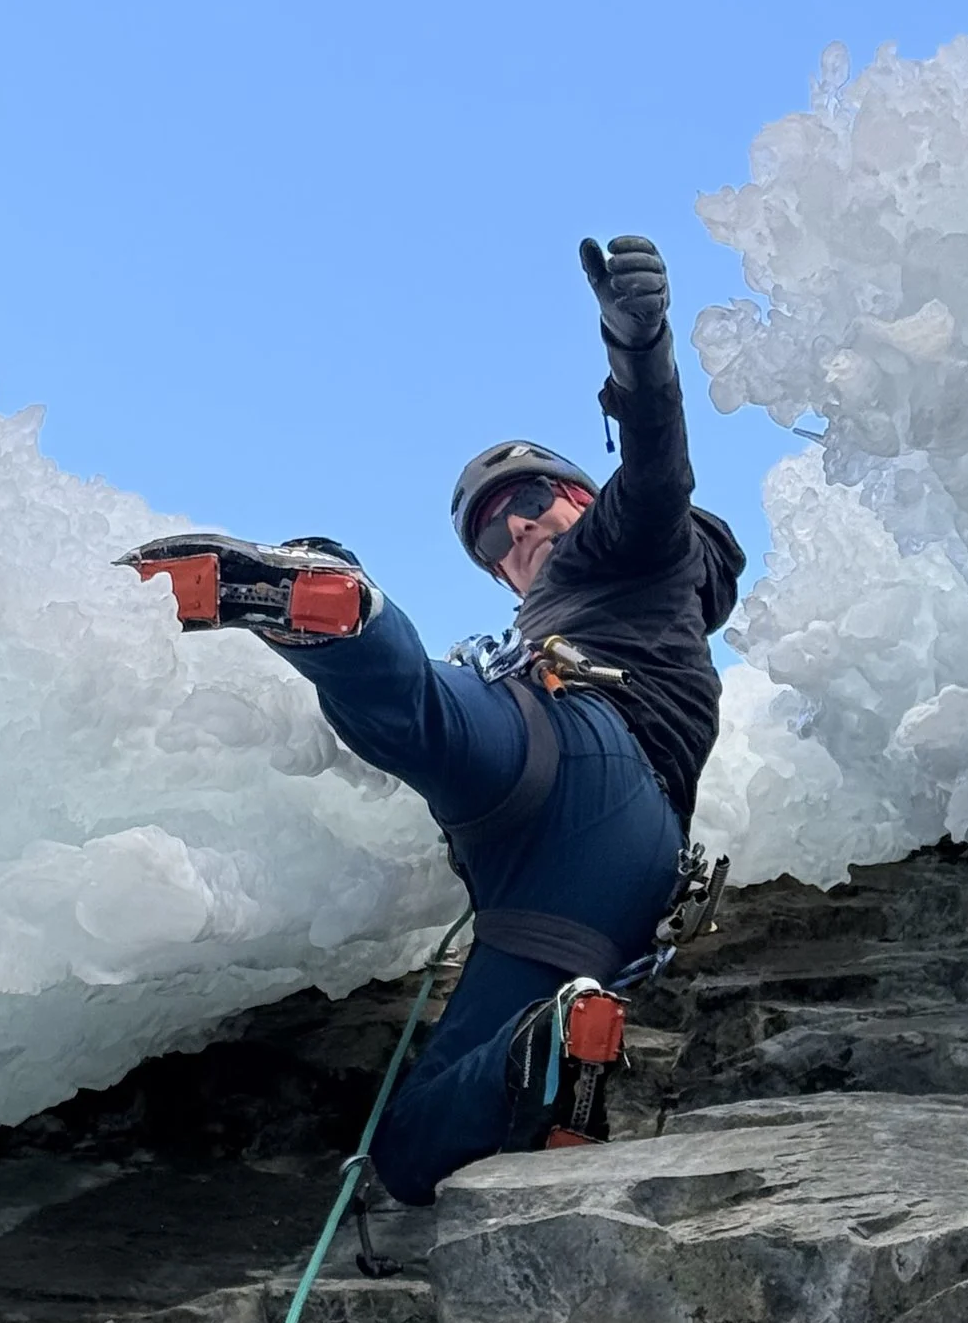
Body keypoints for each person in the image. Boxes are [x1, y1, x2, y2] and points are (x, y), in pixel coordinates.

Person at [133, 233, 743, 1203]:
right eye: (496, 535)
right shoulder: (624, 594)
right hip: (608, 889)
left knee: (415, 711)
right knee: (409, 1152)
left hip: (571, 750)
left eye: (535, 499)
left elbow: (659, 471)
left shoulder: (628, 546)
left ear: (584, 496)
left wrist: (639, 347)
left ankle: (334, 608)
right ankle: (539, 1059)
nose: (522, 528)